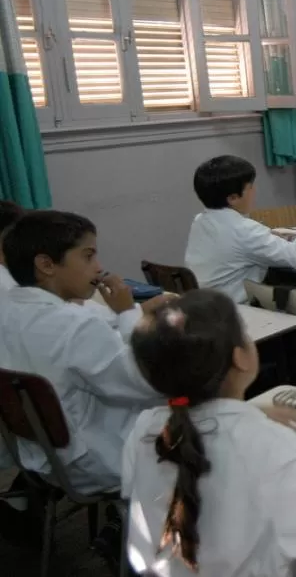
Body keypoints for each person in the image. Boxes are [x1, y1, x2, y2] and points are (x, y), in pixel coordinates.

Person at [122, 290, 296, 576]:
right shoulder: (269, 445)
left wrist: (245, 413)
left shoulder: (145, 428)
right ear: (241, 357)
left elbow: (206, 428)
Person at [0, 211, 174, 493]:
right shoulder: (76, 325)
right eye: (88, 256)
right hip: (98, 460)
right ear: (46, 264)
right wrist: (127, 313)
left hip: (42, 456)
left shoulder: (9, 310)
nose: (98, 267)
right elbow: (147, 384)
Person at [184, 156, 296, 303]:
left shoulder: (200, 220)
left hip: (206, 307)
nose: (255, 191)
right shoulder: (245, 231)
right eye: (250, 187)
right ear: (233, 198)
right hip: (235, 313)